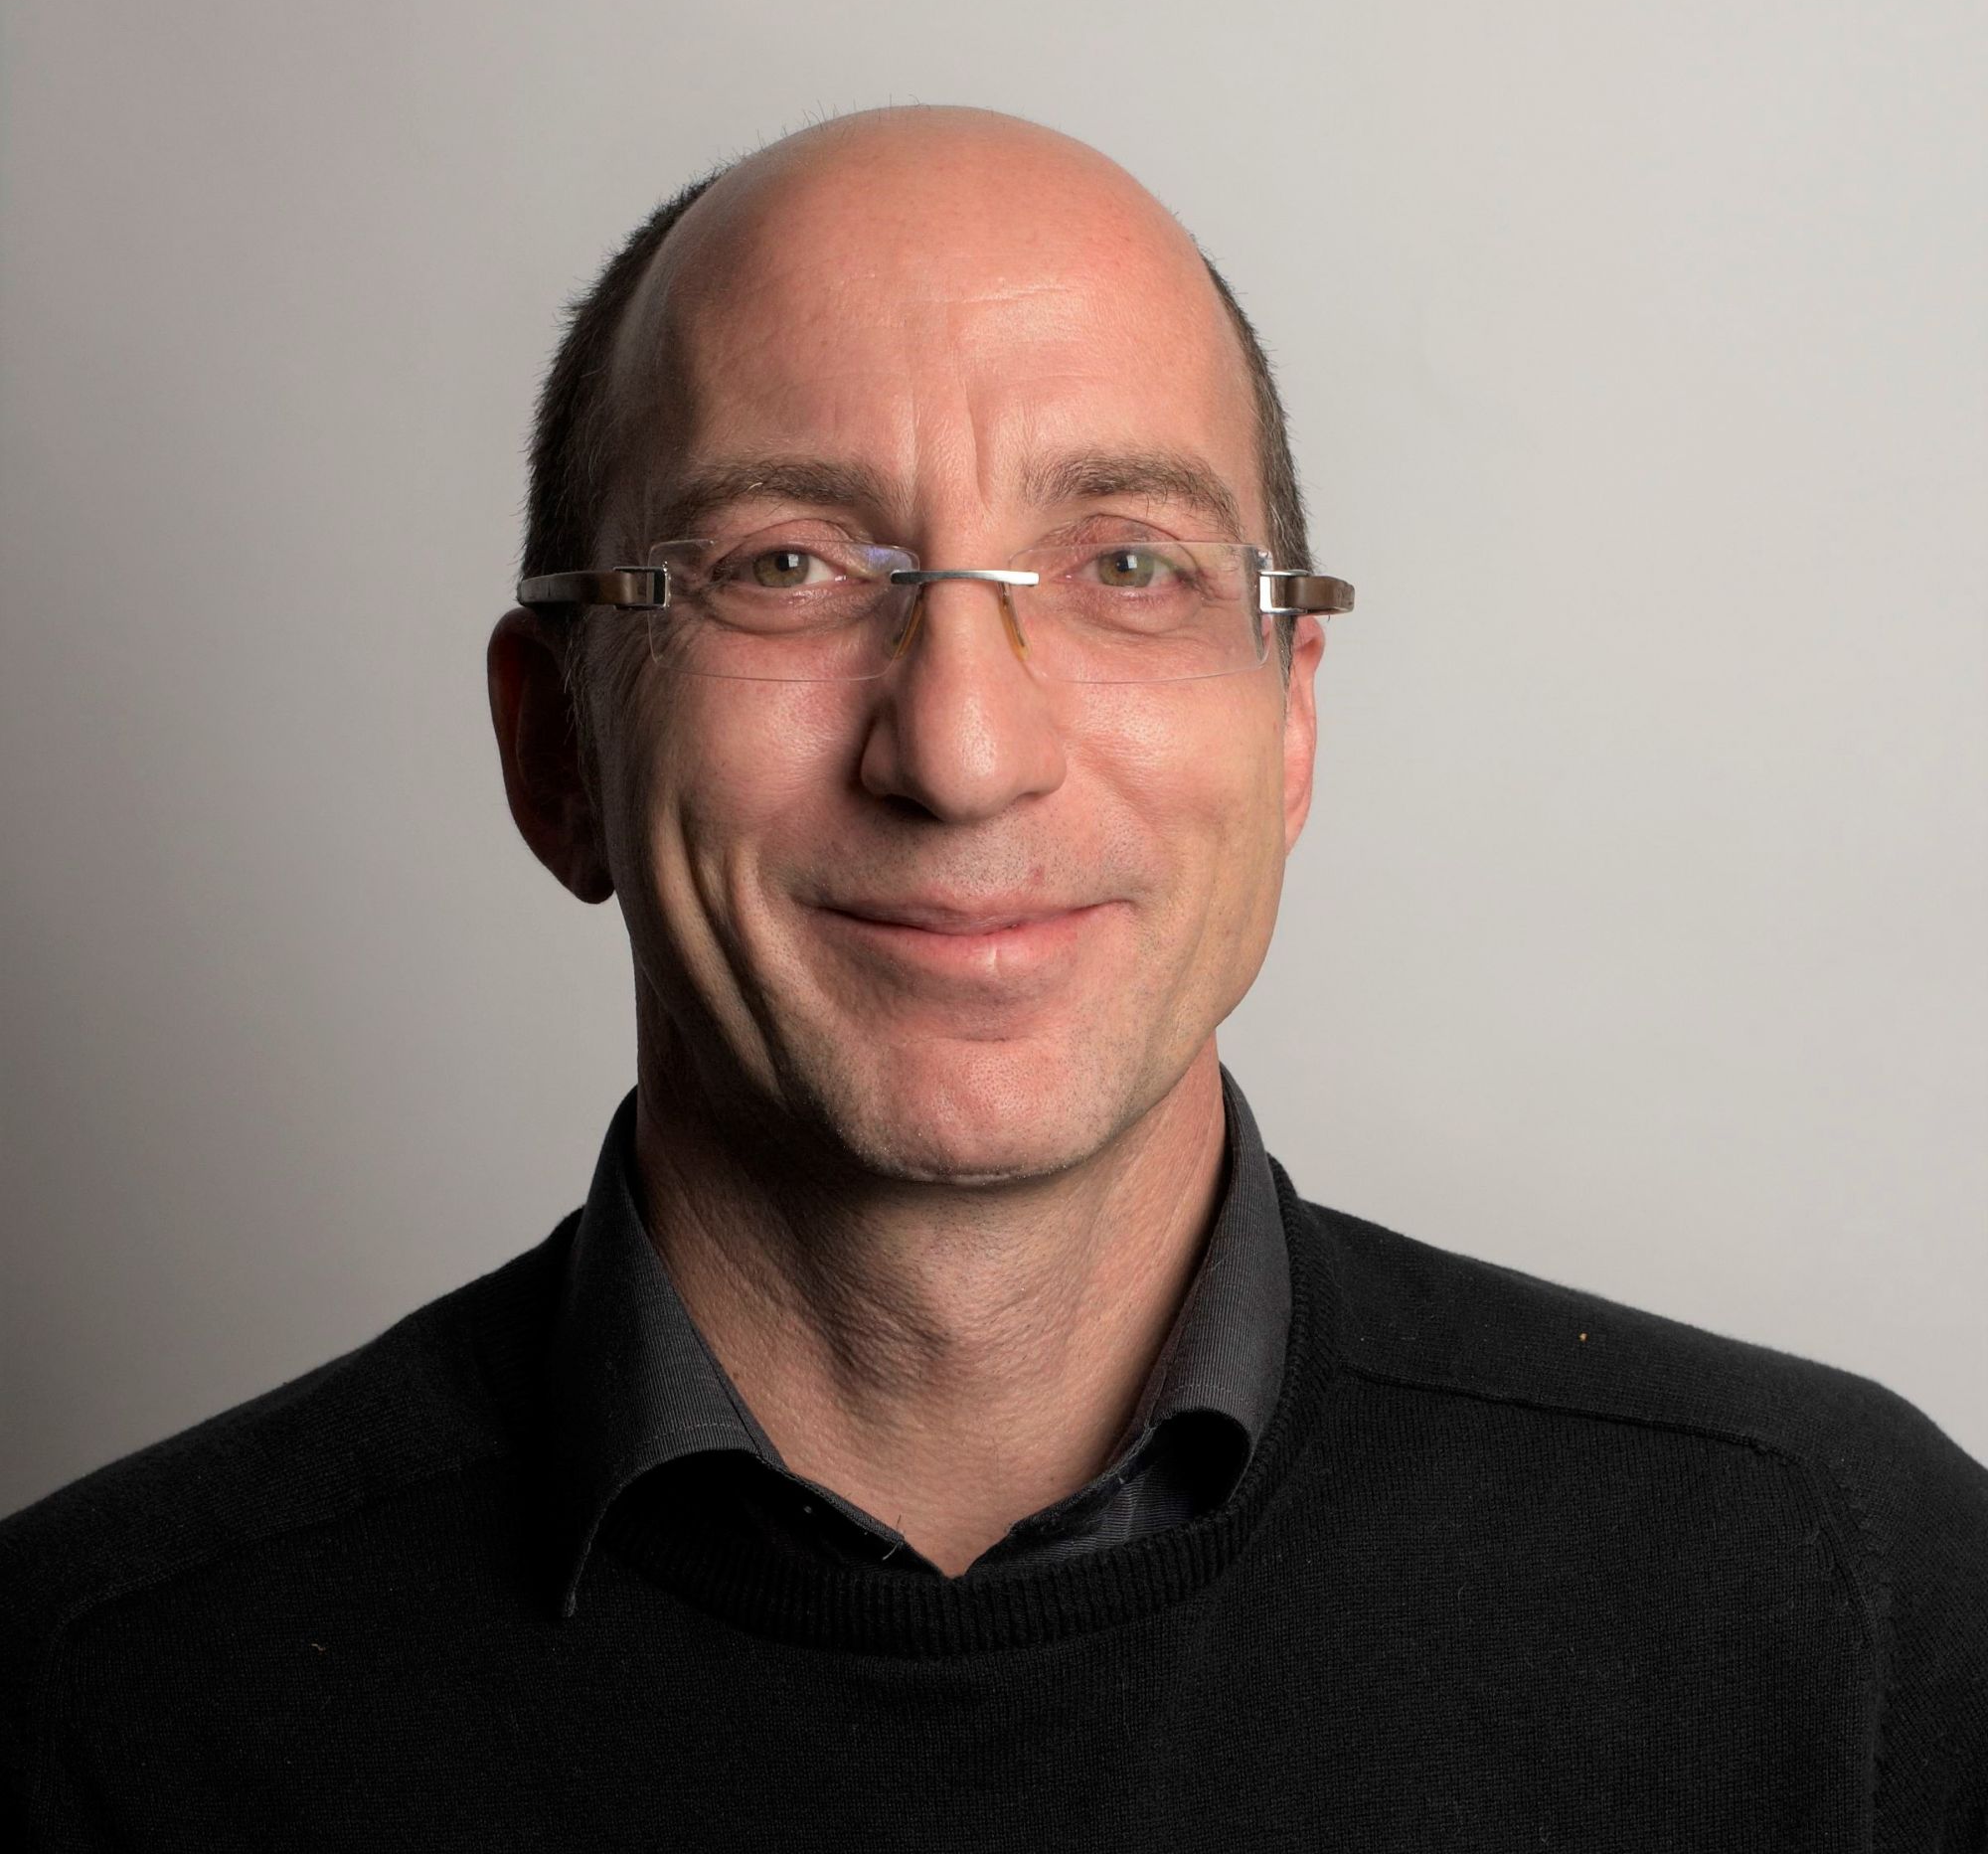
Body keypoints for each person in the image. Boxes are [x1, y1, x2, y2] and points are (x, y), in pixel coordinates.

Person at [2, 106, 1982, 1850]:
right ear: (557, 752)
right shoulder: (84, 1714)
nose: (960, 751)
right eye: (784, 565)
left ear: (1290, 726)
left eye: (1128, 566)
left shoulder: (1844, 1609)